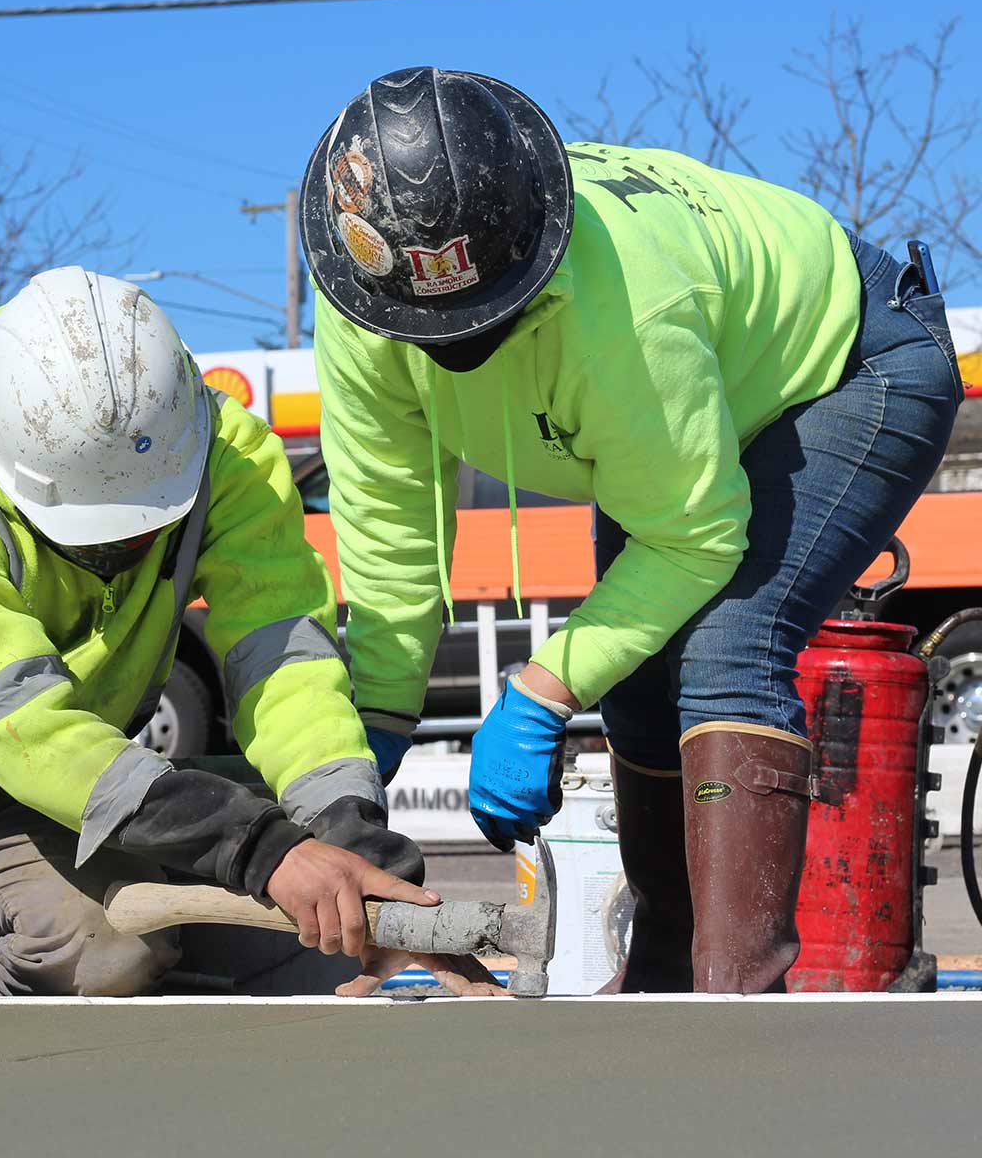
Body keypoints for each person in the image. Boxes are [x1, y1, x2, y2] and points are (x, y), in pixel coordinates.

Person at [300, 67, 962, 993]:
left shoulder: (623, 310)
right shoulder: (366, 313)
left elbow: (693, 538)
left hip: (852, 363)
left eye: (480, 322)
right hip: (711, 399)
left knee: (730, 640)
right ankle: (659, 980)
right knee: (639, 683)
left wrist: (536, 693)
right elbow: (393, 546)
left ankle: (735, 1003)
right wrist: (368, 729)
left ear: (528, 257)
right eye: (427, 329)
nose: (452, 348)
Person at [0, 266, 500, 997]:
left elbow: (283, 659)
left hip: (22, 809)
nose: (121, 552)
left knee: (115, 959)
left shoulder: (229, 455)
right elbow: (26, 728)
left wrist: (357, 853)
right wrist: (261, 848)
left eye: (146, 524)